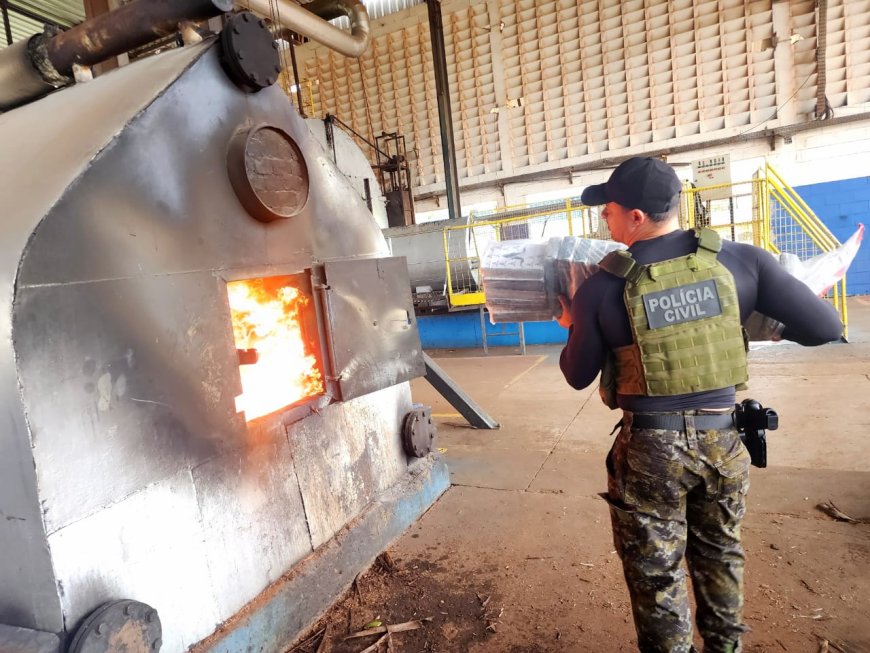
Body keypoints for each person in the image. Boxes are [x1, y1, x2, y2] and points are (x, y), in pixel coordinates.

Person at [557, 157, 843, 653]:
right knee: (720, 554)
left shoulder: (602, 286)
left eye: (610, 208)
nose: (604, 217)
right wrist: (765, 325)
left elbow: (577, 374)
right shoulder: (741, 261)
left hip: (650, 451)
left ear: (637, 218)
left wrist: (572, 323)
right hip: (724, 439)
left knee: (656, 576)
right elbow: (824, 327)